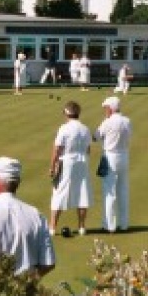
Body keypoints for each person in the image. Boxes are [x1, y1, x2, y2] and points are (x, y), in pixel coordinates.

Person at [49, 100, 92, 235]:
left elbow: (57, 149)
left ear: (66, 114)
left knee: (59, 192)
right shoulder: (85, 129)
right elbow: (88, 149)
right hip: (82, 162)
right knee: (82, 192)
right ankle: (82, 227)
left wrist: (52, 166)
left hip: (66, 161)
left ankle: (52, 227)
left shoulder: (64, 128)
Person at [95, 96, 132, 233]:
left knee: (109, 191)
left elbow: (96, 135)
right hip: (124, 155)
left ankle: (109, 225)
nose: (105, 110)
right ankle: (124, 224)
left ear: (110, 109)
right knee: (123, 190)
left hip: (111, 156)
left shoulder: (107, 122)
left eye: (106, 108)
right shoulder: (127, 121)